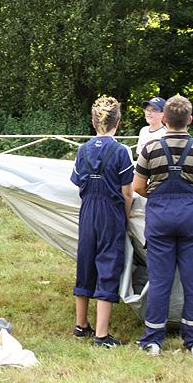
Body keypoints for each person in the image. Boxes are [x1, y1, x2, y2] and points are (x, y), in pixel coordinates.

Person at [133, 95, 193, 357]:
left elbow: (138, 186)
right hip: (192, 219)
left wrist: (159, 199)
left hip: (160, 220)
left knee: (160, 280)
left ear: (165, 120)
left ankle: (153, 340)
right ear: (189, 120)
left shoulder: (150, 149)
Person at [70, 96, 135, 348]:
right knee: (108, 264)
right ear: (118, 122)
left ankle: (81, 324)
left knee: (85, 261)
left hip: (87, 211)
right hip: (111, 211)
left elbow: (77, 183)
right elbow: (127, 191)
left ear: (93, 122)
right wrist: (125, 217)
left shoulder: (82, 149)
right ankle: (101, 334)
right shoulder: (121, 151)